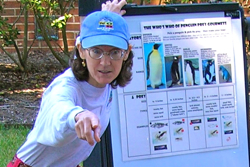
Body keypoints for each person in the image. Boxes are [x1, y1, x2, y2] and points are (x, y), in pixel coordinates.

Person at [7, 0, 133, 166]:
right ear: (81, 51)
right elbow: (58, 108)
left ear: (126, 53)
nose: (105, 62)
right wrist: (78, 115)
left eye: (114, 52)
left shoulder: (105, 77)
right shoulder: (66, 85)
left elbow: (99, 42)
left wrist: (107, 18)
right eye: (96, 51)